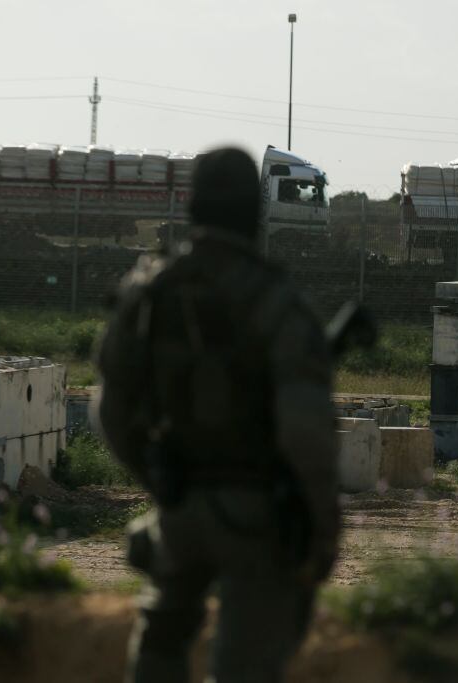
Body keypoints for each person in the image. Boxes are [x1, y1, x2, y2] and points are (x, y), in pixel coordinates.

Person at [95, 146, 340, 683]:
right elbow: (306, 432)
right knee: (245, 664)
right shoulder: (276, 301)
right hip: (257, 514)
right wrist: (322, 528)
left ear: (191, 206)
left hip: (179, 510)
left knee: (160, 639)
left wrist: (161, 482)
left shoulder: (149, 292)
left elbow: (111, 411)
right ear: (256, 211)